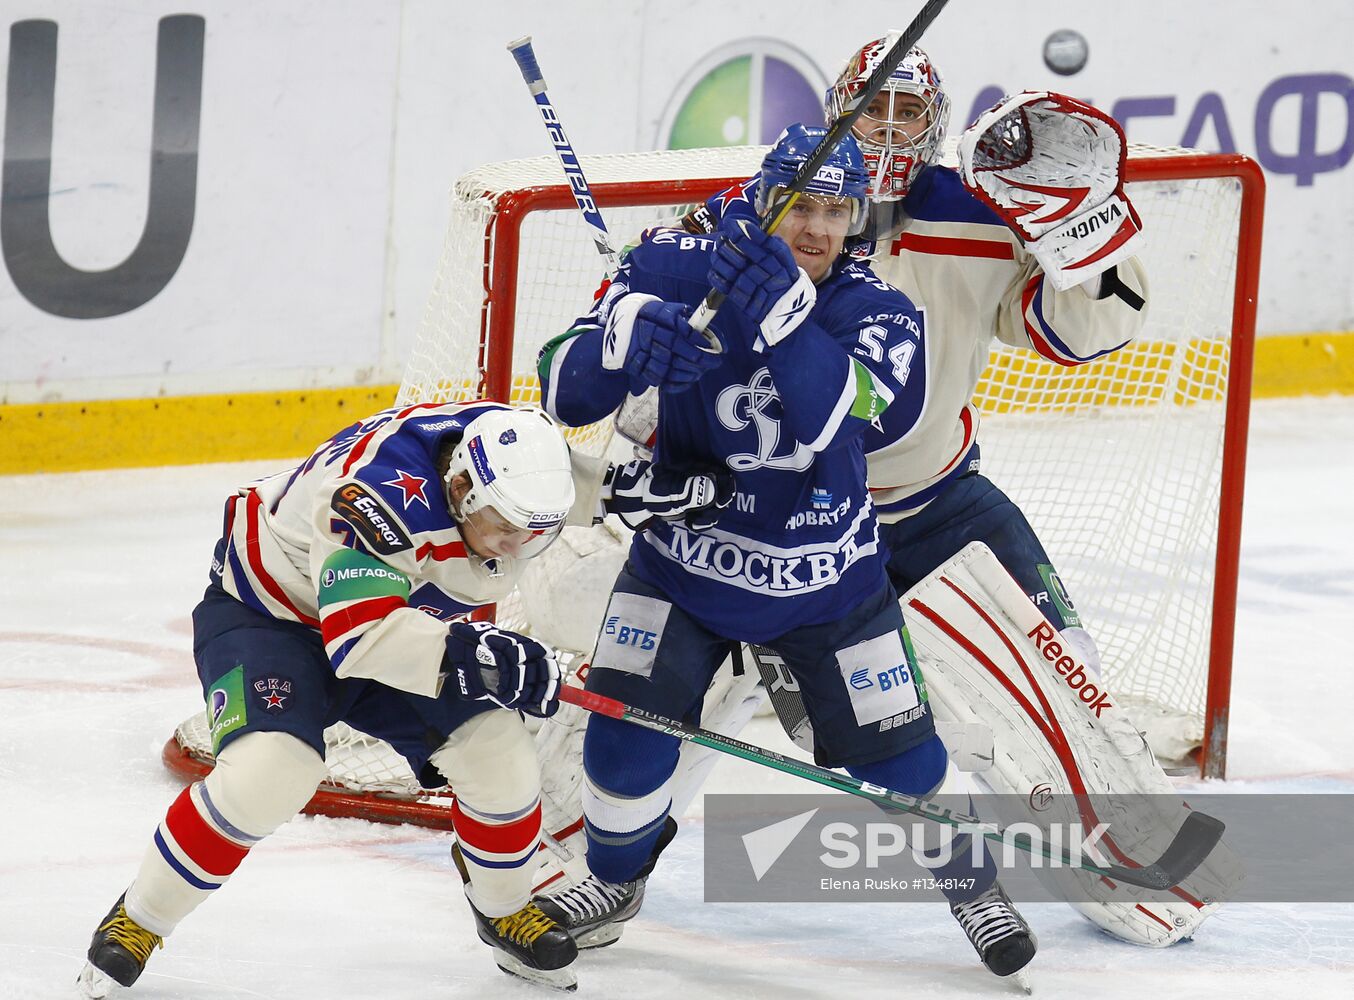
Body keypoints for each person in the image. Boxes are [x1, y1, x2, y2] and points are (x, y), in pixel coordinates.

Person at [532, 124, 1038, 979]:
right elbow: (561, 385)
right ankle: (614, 879)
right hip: (680, 567)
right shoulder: (671, 258)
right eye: (803, 204)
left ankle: (971, 883)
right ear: (764, 200)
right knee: (620, 745)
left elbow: (841, 411)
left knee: (908, 762)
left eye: (840, 210)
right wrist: (619, 340)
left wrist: (779, 310)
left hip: (827, 581)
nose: (820, 229)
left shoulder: (876, 306)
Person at [76, 399, 727, 996]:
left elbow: (566, 486)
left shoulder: (507, 463)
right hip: (273, 621)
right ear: (462, 490)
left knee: (499, 755)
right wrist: (487, 657)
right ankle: (139, 920)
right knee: (272, 772)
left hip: (395, 621)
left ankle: (504, 911)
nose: (514, 549)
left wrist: (642, 491)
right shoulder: (372, 497)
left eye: (535, 533)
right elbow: (358, 640)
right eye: (505, 528)